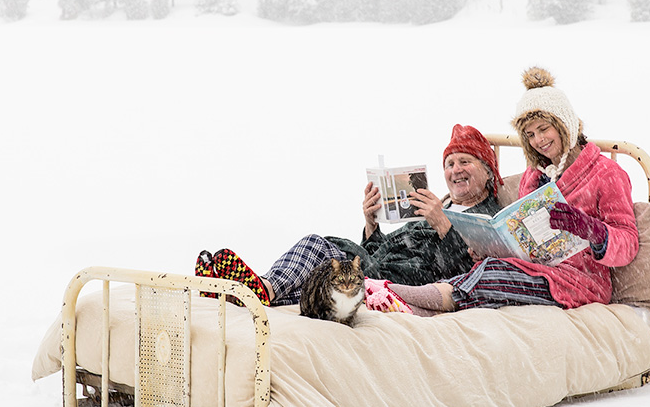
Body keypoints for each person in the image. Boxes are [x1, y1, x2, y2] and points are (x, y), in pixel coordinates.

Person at [386, 67, 640, 316]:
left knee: (493, 275)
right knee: (489, 266)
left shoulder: (606, 173)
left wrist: (592, 230)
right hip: (534, 267)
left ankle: (395, 295)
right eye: (529, 134)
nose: (537, 141)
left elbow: (628, 245)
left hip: (580, 281)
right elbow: (523, 237)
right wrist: (490, 247)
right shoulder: (534, 175)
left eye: (544, 129)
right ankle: (411, 310)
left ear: (564, 124)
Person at [196, 124, 502, 307]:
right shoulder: (441, 204)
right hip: (373, 263)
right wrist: (372, 224)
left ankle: (263, 287)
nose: (455, 170)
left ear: (488, 172)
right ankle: (238, 294)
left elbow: (467, 274)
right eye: (449, 164)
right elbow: (387, 248)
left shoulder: (488, 218)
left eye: (465, 162)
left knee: (317, 246)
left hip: (399, 279)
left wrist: (443, 226)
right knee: (314, 285)